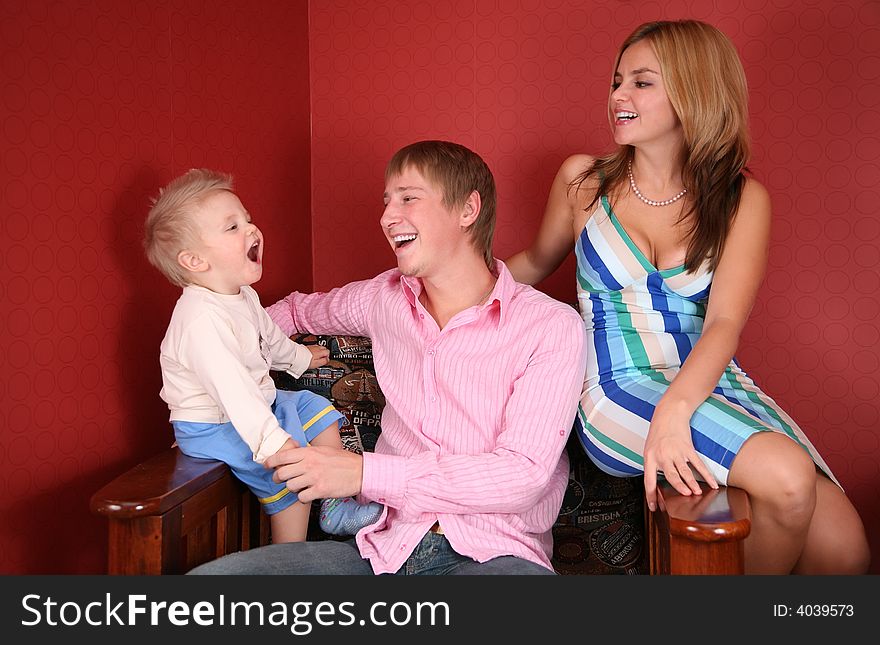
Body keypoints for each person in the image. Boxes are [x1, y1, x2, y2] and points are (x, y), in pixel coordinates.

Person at [506, 19, 870, 574]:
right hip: (618, 386)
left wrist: (678, 407)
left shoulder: (742, 198)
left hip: (710, 379)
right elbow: (532, 263)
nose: (618, 96)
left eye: (641, 83)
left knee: (845, 553)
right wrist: (440, 286)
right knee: (788, 479)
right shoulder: (583, 182)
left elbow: (724, 321)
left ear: (693, 91)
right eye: (616, 81)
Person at [187, 140, 587, 575]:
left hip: (494, 559)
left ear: (467, 210)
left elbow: (521, 476)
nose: (386, 217)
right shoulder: (384, 298)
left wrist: (364, 475)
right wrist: (215, 367)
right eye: (386, 201)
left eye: (408, 198)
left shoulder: (550, 326)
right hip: (378, 553)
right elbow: (294, 311)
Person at [144, 168, 383, 543]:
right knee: (290, 474)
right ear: (194, 261)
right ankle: (288, 555)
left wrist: (300, 359)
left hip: (258, 405)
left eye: (248, 220)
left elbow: (269, 340)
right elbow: (233, 390)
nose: (252, 230)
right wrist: (275, 444)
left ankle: (336, 507)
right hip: (215, 425)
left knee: (316, 409)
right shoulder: (199, 320)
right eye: (233, 227)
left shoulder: (242, 295)